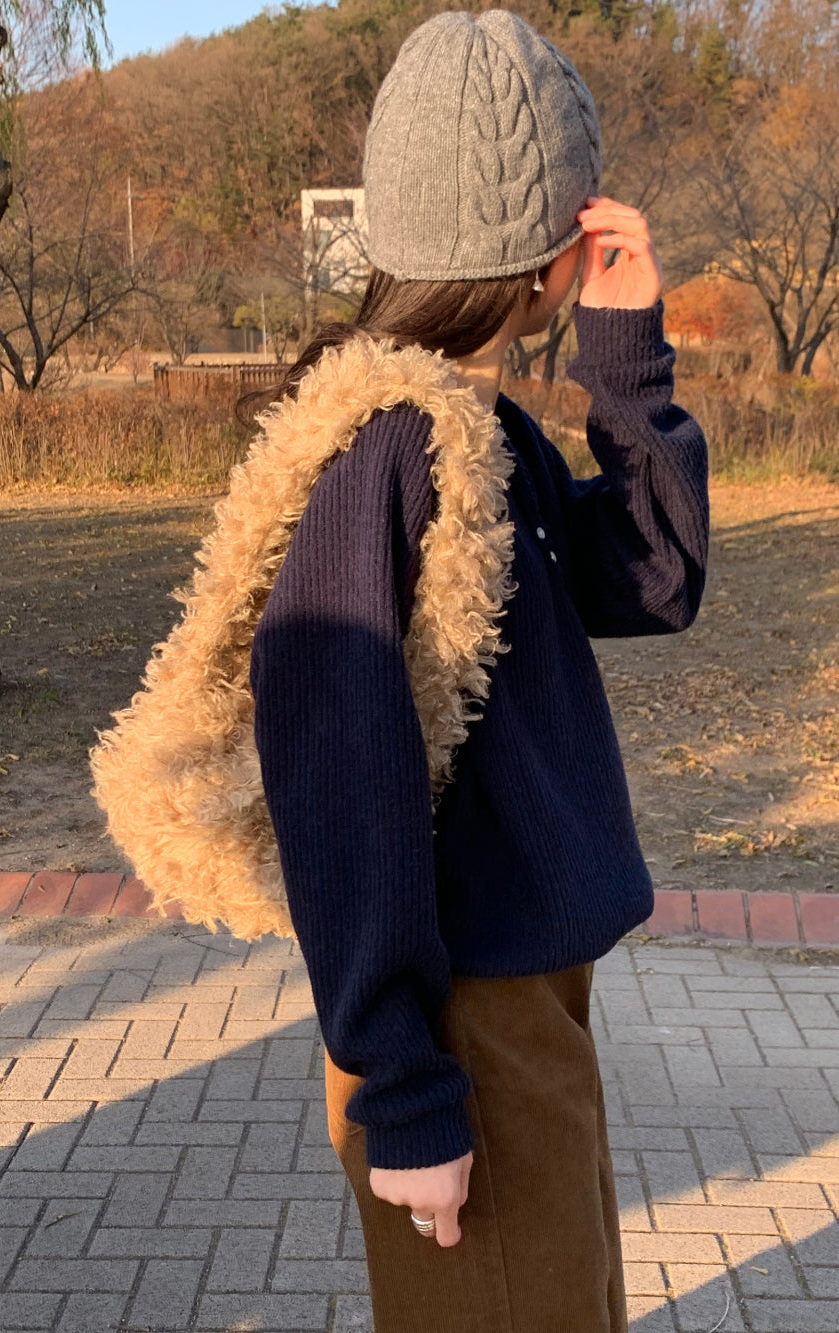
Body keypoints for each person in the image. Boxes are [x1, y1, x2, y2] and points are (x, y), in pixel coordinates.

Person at [247, 10, 709, 1332]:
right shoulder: (387, 446)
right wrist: (404, 1090)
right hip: (461, 1020)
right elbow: (338, 777)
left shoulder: (481, 428)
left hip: (523, 992)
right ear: (547, 254)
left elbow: (655, 581)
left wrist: (628, 365)